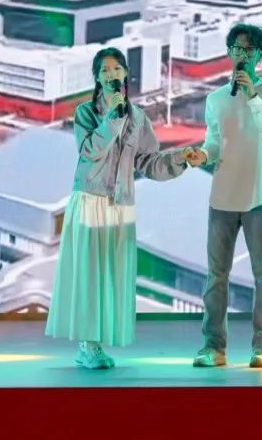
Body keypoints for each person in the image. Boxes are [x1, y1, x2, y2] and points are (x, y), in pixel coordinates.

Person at [46, 46, 195, 369]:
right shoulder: (86, 113)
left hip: (121, 204)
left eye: (117, 69)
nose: (111, 75)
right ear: (97, 79)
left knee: (112, 276)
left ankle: (96, 342)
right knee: (90, 274)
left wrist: (180, 159)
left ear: (126, 73)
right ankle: (88, 345)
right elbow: (90, 151)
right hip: (91, 200)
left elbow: (149, 162)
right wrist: (112, 120)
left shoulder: (138, 117)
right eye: (105, 71)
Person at [186, 23, 262, 369]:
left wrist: (253, 96)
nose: (242, 55)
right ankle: (213, 347)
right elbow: (214, 142)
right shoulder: (216, 99)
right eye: (237, 49)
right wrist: (202, 154)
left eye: (249, 50)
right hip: (223, 196)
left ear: (260, 54)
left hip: (259, 195)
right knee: (216, 276)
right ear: (228, 52)